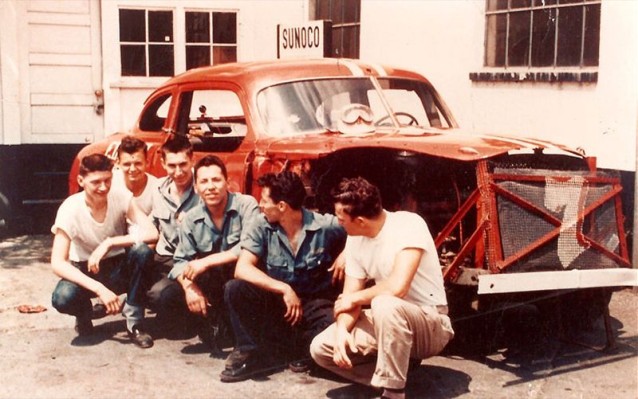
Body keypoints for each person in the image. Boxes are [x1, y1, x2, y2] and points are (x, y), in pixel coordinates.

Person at [310, 177, 455, 399]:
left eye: (341, 219)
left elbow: (398, 287)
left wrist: (356, 298)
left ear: (359, 221)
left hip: (430, 322)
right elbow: (350, 298)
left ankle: (393, 392)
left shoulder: (409, 224)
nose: (338, 223)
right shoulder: (355, 238)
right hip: (388, 322)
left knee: (384, 303)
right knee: (321, 348)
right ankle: (397, 377)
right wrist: (341, 332)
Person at [220, 171, 347, 383]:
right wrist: (284, 289)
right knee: (235, 288)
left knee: (334, 324)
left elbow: (363, 229)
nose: (260, 205)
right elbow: (242, 268)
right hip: (279, 303)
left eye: (264, 200)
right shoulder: (261, 224)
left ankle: (300, 350)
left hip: (313, 305)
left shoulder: (324, 225)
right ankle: (250, 352)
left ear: (282, 206)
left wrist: (347, 253)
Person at [50, 154, 158, 348]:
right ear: (81, 181)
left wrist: (110, 243)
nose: (103, 187)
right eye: (96, 182)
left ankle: (134, 323)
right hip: (84, 269)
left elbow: (151, 233)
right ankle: (84, 315)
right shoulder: (70, 207)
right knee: (62, 297)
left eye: (107, 180)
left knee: (142, 252)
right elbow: (57, 262)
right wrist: (100, 290)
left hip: (116, 266)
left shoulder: (120, 197)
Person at [170, 155, 260, 353]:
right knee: (165, 295)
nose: (211, 187)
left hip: (244, 280)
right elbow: (179, 262)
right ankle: (214, 324)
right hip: (213, 284)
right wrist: (189, 288)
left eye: (216, 180)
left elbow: (251, 246)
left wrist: (207, 261)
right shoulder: (191, 219)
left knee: (234, 287)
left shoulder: (246, 205)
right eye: (204, 181)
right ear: (196, 187)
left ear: (228, 183)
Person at [145, 135, 201, 335]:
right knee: (152, 294)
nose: (178, 172)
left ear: (192, 160)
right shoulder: (158, 190)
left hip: (193, 264)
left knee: (161, 295)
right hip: (165, 260)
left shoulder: (204, 188)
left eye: (183, 164)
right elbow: (151, 225)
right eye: (172, 166)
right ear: (163, 163)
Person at [112, 135, 159, 215]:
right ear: (118, 163)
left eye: (138, 163)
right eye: (127, 164)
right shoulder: (110, 183)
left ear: (147, 162)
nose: (133, 169)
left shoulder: (157, 188)